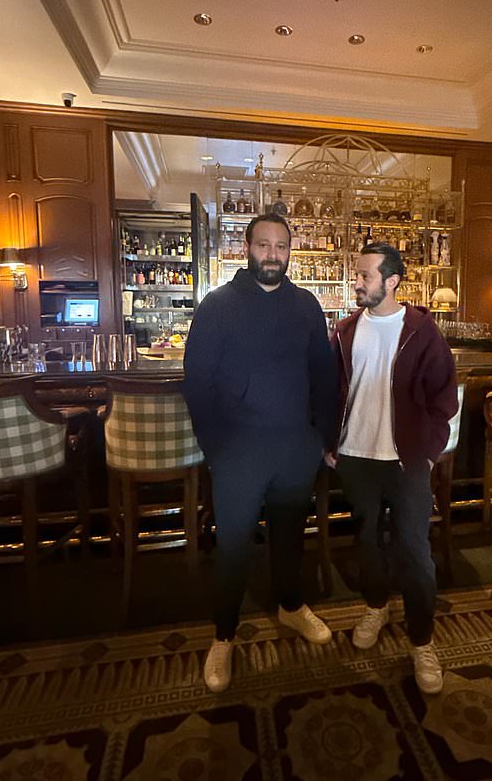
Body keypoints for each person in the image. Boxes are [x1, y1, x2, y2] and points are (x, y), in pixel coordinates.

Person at [183, 213, 337, 693]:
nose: (273, 254)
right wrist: (216, 449)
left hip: (295, 449)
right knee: (232, 550)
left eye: (282, 246)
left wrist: (324, 439)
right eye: (264, 245)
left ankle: (291, 608)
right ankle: (224, 635)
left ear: (291, 251)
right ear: (246, 247)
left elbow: (325, 377)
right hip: (238, 454)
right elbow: (197, 383)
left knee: (291, 539)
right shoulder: (218, 305)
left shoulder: (307, 306)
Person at [326, 243, 457, 694]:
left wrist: (426, 451)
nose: (356, 282)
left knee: (414, 552)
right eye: (357, 274)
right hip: (356, 456)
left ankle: (422, 640)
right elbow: (331, 392)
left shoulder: (422, 332)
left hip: (405, 461)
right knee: (365, 540)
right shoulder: (344, 331)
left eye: (364, 275)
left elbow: (444, 400)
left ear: (392, 281)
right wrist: (330, 442)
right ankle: (376, 605)